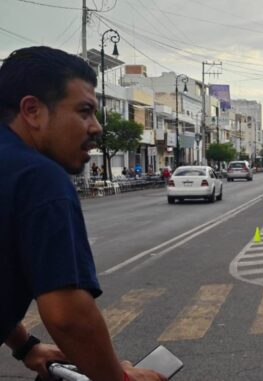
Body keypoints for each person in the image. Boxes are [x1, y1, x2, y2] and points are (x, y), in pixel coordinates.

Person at [0, 46, 166, 381]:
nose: (96, 128)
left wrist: (25, 345)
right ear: (32, 110)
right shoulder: (38, 177)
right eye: (85, 112)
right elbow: (68, 315)